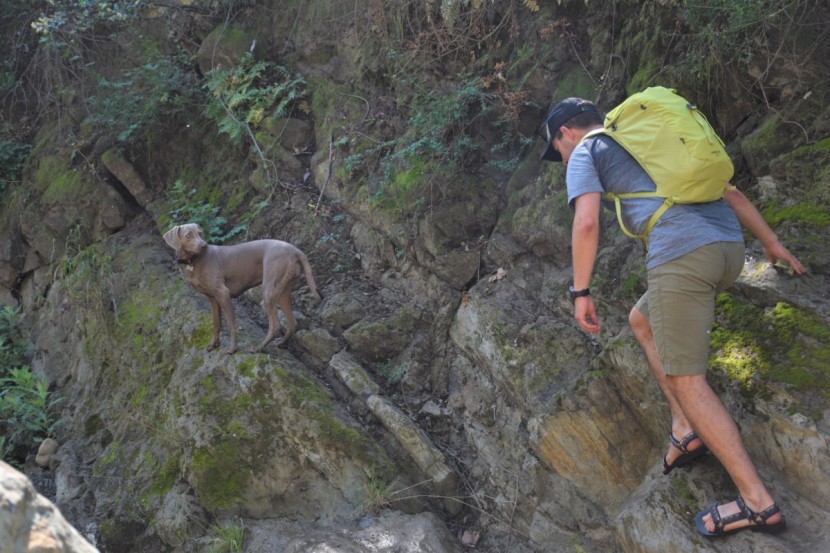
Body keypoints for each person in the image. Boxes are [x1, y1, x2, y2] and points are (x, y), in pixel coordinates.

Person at [538, 96, 806, 537]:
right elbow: (731, 191)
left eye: (556, 150)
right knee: (642, 320)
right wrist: (771, 243)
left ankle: (757, 503)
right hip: (727, 251)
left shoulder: (587, 150)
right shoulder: (649, 143)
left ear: (566, 133)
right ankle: (685, 428)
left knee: (687, 377)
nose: (560, 159)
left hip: (683, 253)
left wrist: (581, 291)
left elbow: (586, 222)